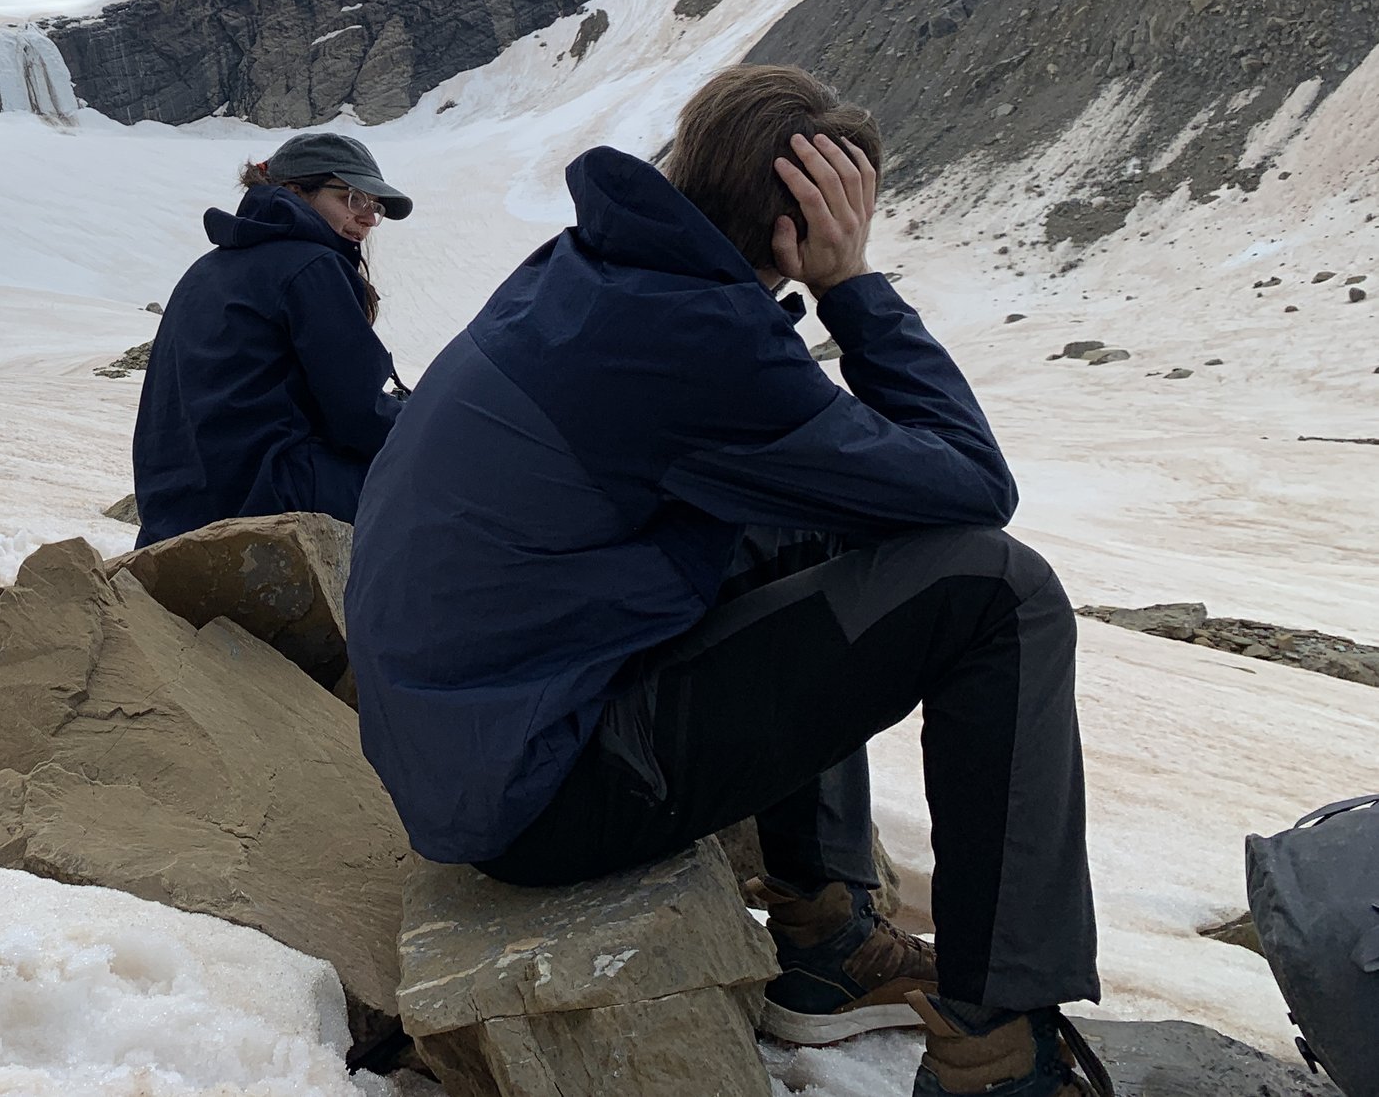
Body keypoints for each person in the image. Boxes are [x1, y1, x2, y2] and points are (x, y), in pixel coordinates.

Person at [345, 67, 1108, 1097]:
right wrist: (852, 288)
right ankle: (995, 1052)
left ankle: (825, 936)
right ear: (800, 232)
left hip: (475, 750)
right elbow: (972, 488)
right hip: (538, 795)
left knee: (811, 520)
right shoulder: (697, 337)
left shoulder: (590, 271)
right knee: (996, 593)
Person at [131, 131, 411, 548]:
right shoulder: (311, 267)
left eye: (375, 206)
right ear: (296, 191)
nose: (368, 218)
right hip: (268, 499)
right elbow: (359, 418)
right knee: (439, 483)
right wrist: (426, 419)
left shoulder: (206, 269)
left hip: (175, 517)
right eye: (352, 198)